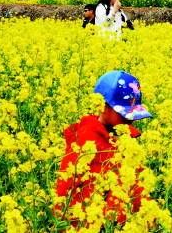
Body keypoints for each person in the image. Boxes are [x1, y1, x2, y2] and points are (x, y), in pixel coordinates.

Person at [55, 70, 152, 227]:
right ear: (103, 107)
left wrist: (149, 216)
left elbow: (137, 185)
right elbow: (65, 188)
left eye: (132, 114)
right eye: (123, 113)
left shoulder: (127, 140)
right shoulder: (85, 140)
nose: (129, 118)